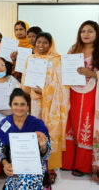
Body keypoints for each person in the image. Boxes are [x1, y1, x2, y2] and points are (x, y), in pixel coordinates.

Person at [21, 32, 70, 183]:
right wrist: (30, 88)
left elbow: (63, 84)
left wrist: (46, 92)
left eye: (45, 43)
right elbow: (25, 81)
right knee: (36, 130)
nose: (41, 45)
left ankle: (51, 168)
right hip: (36, 102)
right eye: (38, 42)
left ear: (51, 44)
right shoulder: (31, 59)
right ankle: (36, 164)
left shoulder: (57, 60)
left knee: (51, 132)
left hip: (53, 105)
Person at [62, 20, 99, 181]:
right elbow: (64, 67)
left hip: (91, 93)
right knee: (70, 124)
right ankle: (67, 162)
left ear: (97, 34)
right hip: (72, 91)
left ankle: (82, 165)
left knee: (85, 125)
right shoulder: (73, 49)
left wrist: (92, 73)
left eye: (90, 31)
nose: (86, 34)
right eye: (83, 31)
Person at [0, 88, 51, 189]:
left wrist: (43, 147)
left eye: (22, 104)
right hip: (15, 166)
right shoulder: (5, 124)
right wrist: (5, 164)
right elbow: (0, 149)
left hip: (36, 167)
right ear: (10, 106)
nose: (19, 108)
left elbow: (47, 155)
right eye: (15, 104)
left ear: (28, 106)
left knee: (26, 183)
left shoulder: (38, 124)